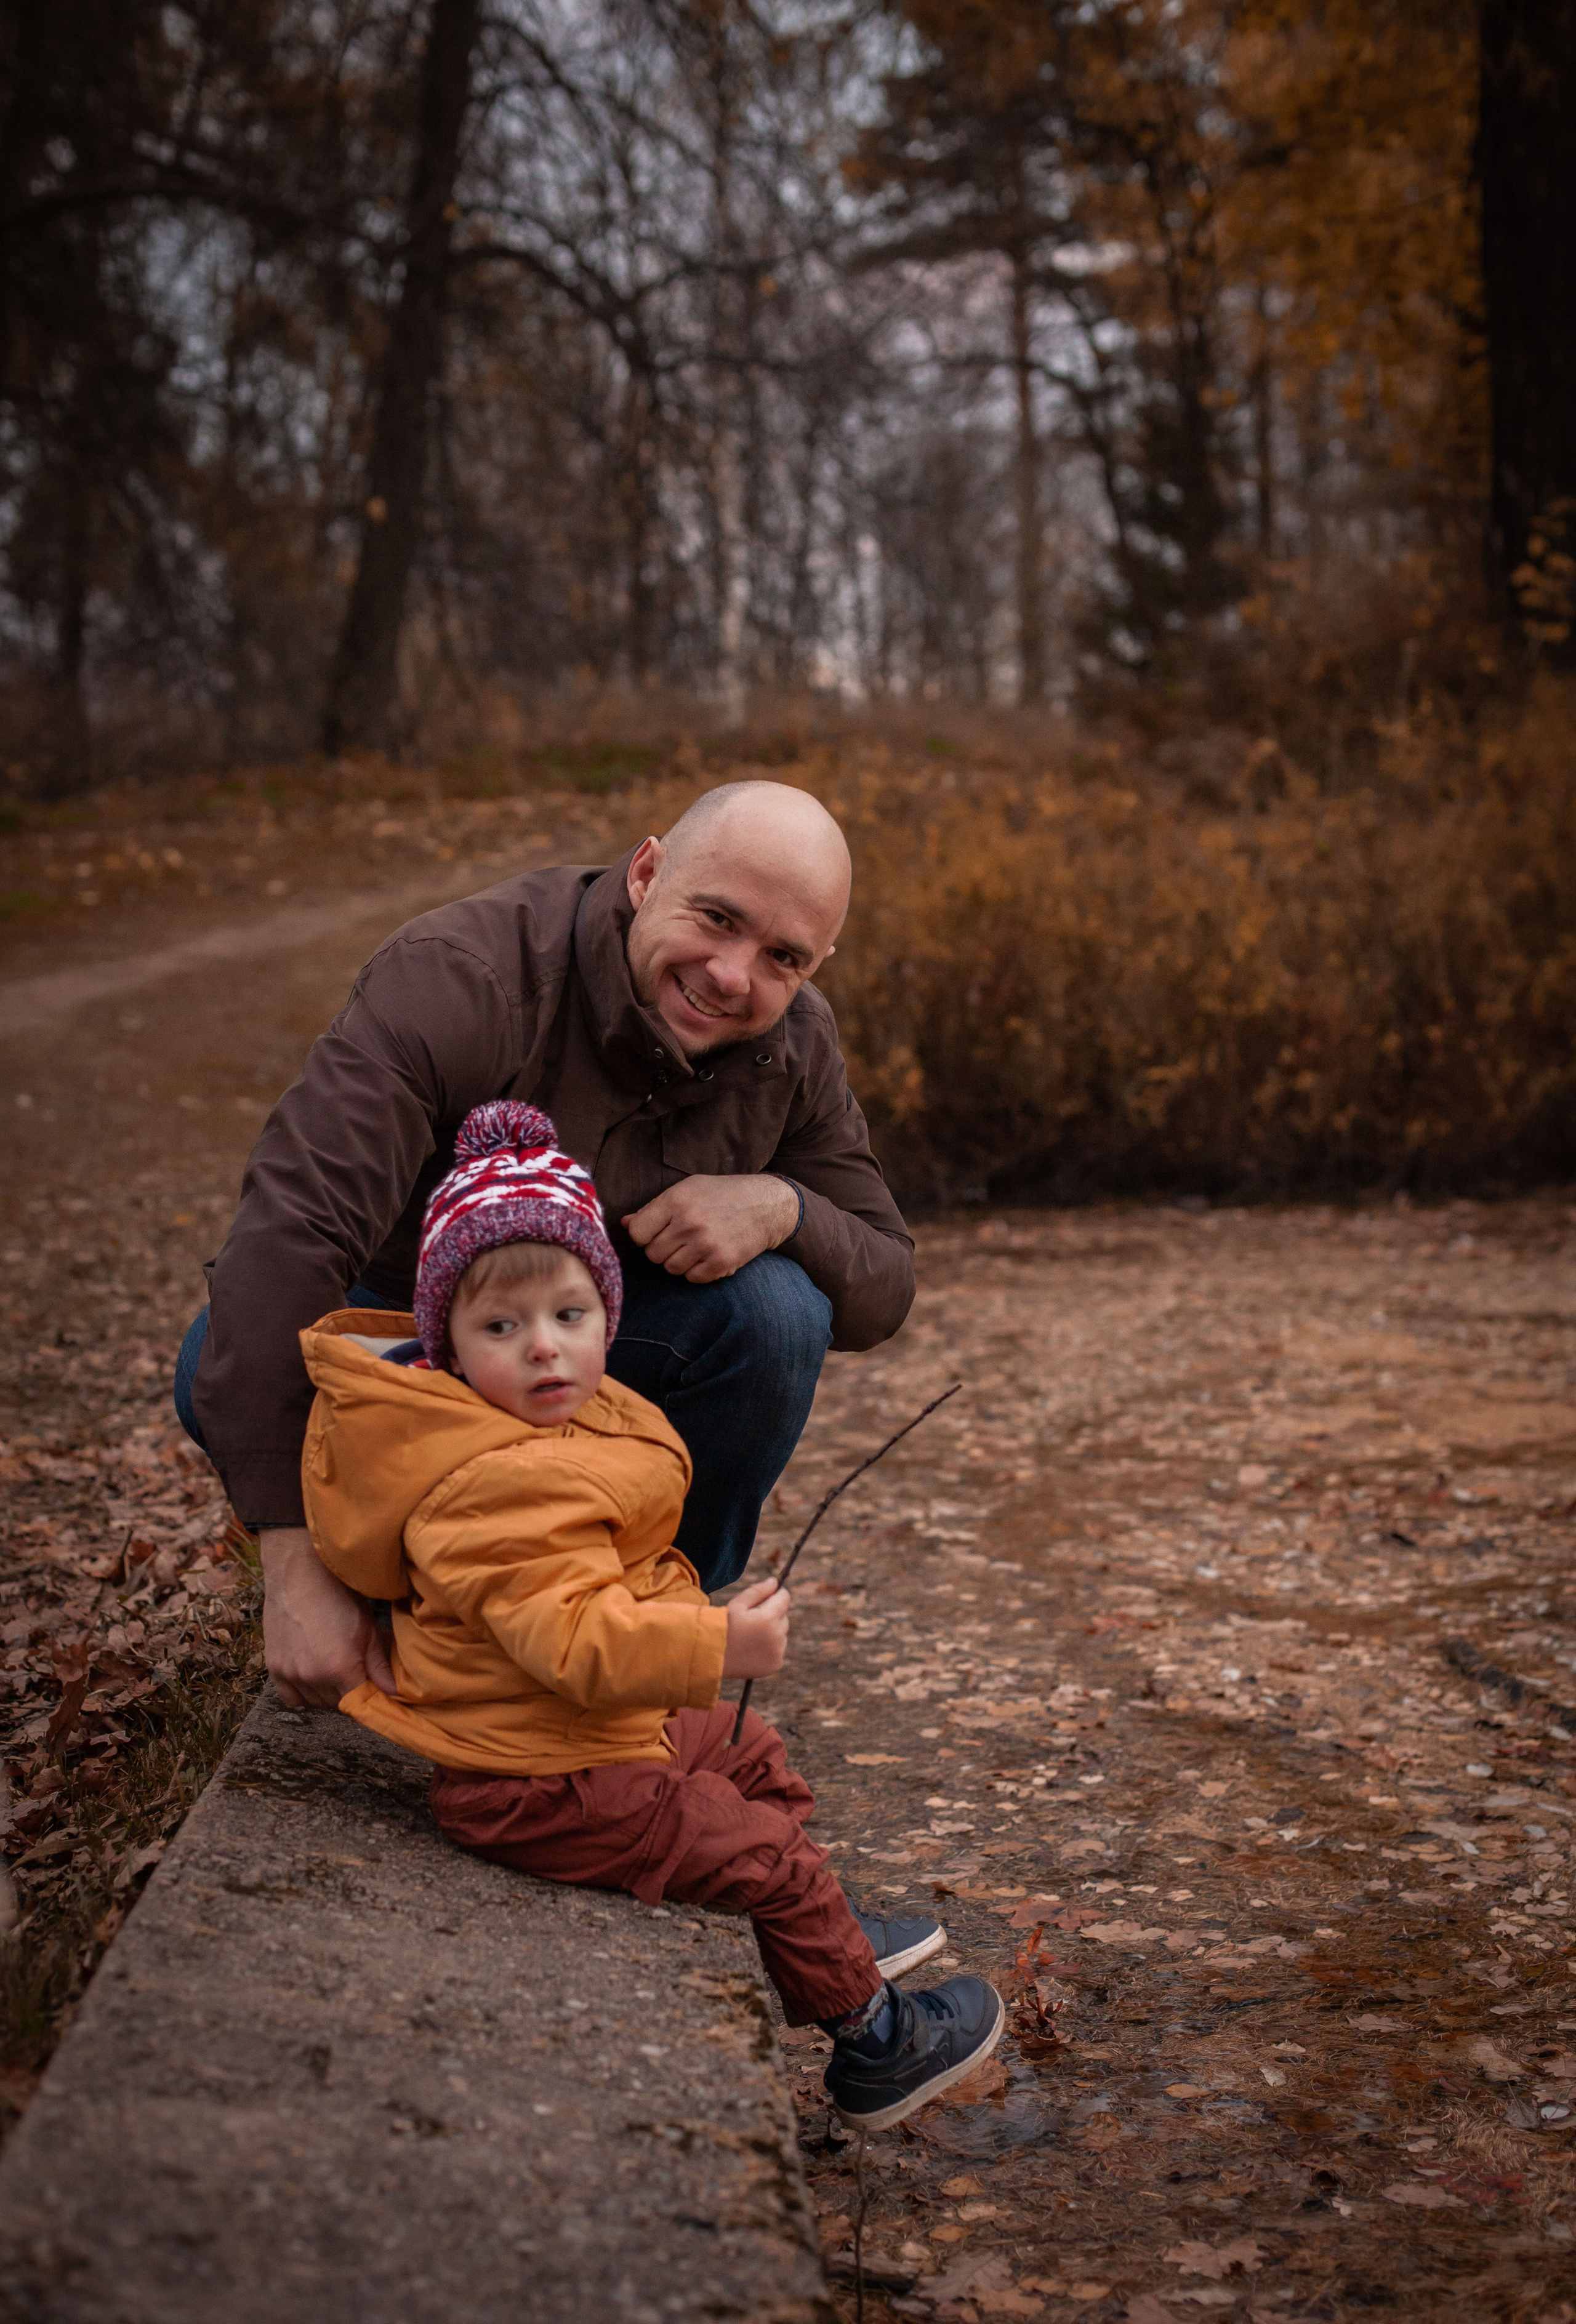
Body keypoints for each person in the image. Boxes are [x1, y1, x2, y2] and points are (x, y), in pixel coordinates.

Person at [299, 1101, 1002, 2129]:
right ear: (446, 1343)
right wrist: (718, 1641)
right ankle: (877, 2043)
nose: (545, 1350)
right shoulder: (486, 1486)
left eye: (570, 1316)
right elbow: (576, 1640)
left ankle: (822, 1932)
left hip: (578, 1734)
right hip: (536, 1780)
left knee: (749, 1751)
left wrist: (691, 1622)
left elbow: (612, 1577)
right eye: (501, 1328)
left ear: (608, 1313)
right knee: (765, 1854)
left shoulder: (554, 1422)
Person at [174, 780, 915, 1712]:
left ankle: (646, 1627)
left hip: (599, 1362)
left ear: (818, 963)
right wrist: (293, 1567)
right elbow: (290, 1235)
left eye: (783, 956)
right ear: (646, 874)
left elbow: (885, 1281)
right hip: (417, 1352)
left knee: (776, 1316)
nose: (733, 975)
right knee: (216, 1354)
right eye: (717, 918)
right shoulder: (461, 979)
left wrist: (783, 1206)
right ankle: (398, 1592)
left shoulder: (794, 1044)